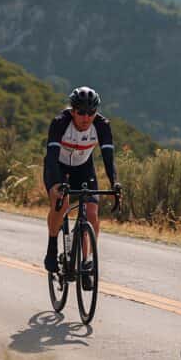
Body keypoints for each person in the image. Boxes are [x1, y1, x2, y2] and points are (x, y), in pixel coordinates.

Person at [43, 86, 120, 291]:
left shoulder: (102, 126)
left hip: (83, 168)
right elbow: (51, 158)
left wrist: (115, 184)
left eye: (91, 113)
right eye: (81, 112)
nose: (86, 118)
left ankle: (86, 262)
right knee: (62, 204)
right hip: (58, 167)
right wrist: (57, 185)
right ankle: (52, 246)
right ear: (72, 110)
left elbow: (108, 159)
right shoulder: (60, 123)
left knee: (92, 212)